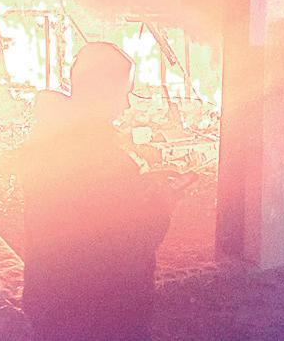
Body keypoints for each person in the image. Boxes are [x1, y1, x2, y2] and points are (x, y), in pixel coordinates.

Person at [20, 42, 190, 341]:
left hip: (51, 297)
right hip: (99, 311)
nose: (126, 105)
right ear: (101, 92)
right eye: (123, 94)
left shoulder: (48, 138)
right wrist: (162, 205)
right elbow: (127, 244)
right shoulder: (100, 156)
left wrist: (139, 185)